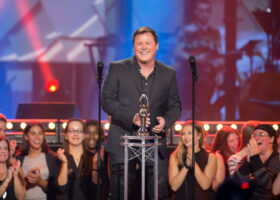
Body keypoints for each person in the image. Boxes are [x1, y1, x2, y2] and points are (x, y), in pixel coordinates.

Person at [102, 26, 182, 199]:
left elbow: (175, 105)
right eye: (139, 44)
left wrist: (165, 122)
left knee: (158, 191)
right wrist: (132, 117)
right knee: (120, 191)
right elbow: (106, 100)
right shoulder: (117, 68)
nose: (144, 47)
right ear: (134, 47)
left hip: (153, 140)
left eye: (148, 43)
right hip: (122, 138)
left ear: (157, 46)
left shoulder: (168, 73)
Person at [174, 0, 224, 120]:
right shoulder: (187, 31)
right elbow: (177, 52)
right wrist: (194, 59)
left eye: (207, 11)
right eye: (202, 11)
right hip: (189, 73)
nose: (204, 14)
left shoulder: (215, 33)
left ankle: (205, 116)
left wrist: (220, 72)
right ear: (196, 12)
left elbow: (219, 55)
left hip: (208, 75)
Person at [56, 118, 104, 200]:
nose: (75, 133)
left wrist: (95, 166)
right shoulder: (58, 158)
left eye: (79, 130)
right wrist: (64, 163)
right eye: (71, 131)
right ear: (66, 136)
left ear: (84, 135)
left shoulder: (93, 157)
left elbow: (97, 189)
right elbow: (61, 188)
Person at [168, 121, 216, 200]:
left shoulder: (210, 157)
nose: (186, 136)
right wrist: (186, 166)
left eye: (190, 133)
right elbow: (174, 187)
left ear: (199, 136)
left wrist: (193, 163)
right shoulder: (175, 157)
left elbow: (205, 185)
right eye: (183, 134)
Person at [234, 124, 280, 199]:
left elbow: (267, 184)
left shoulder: (277, 158)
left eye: (261, 134)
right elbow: (235, 181)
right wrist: (248, 163)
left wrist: (255, 158)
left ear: (271, 139)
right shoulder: (249, 157)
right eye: (254, 135)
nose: (257, 138)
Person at [16, 122, 59, 200]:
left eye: (40, 133)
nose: (37, 137)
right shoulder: (18, 159)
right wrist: (26, 181)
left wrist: (40, 181)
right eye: (33, 134)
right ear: (26, 137)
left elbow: (58, 189)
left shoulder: (52, 158)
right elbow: (13, 189)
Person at [210, 126, 240, 191]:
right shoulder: (217, 158)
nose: (237, 143)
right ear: (223, 144)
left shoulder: (239, 155)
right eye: (231, 141)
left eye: (237, 139)